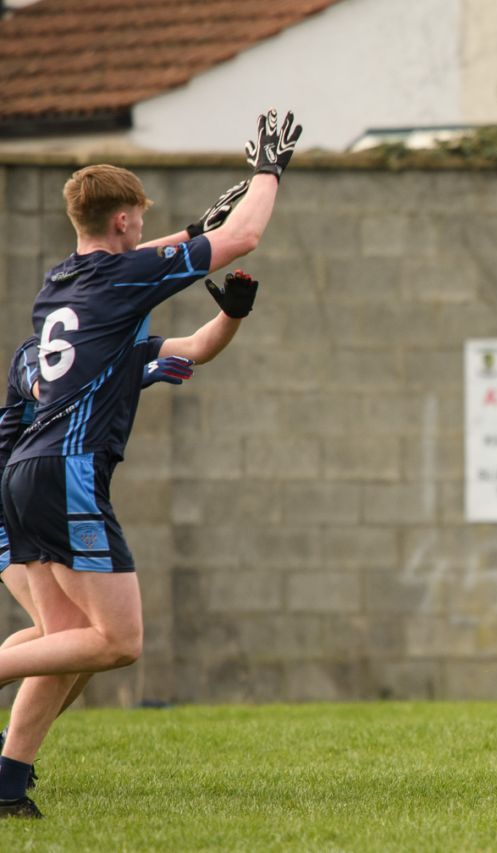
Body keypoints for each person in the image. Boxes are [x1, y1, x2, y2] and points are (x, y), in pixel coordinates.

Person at [0, 107, 298, 819]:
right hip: (60, 471)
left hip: (38, 471)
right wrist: (267, 172)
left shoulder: (65, 285)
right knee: (116, 641)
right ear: (126, 222)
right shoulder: (117, 289)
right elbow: (246, 235)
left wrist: (228, 303)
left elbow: (191, 345)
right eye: (139, 219)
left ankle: (8, 782)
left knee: (69, 643)